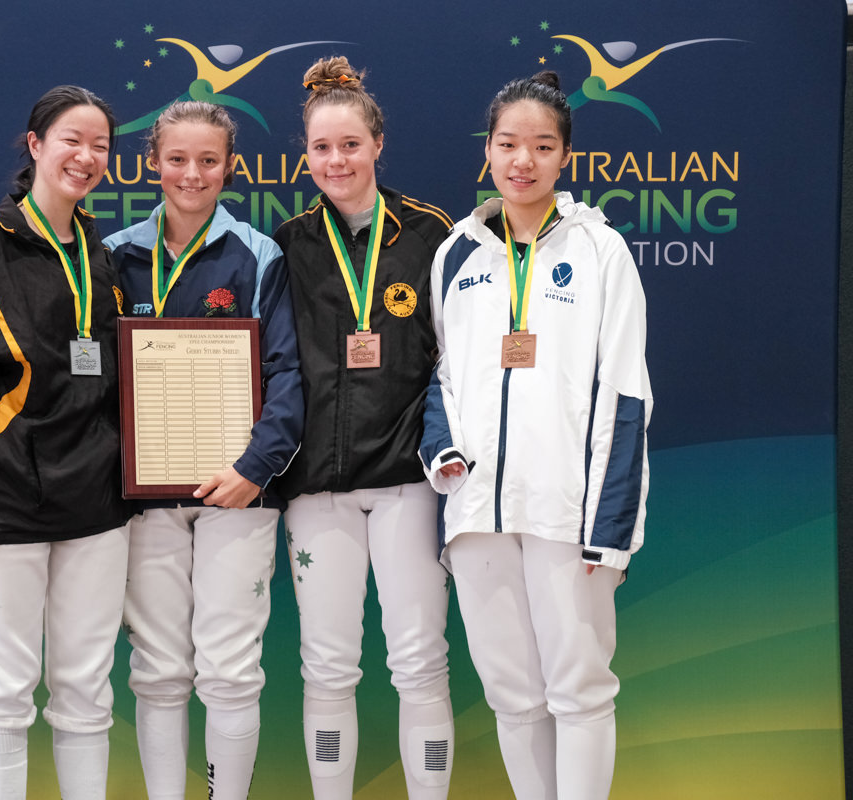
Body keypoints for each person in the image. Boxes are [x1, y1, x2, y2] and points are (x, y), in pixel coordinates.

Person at [420, 71, 652, 800]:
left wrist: (608, 528)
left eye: (542, 146)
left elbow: (626, 393)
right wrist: (443, 455)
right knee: (512, 695)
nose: (523, 160)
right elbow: (440, 376)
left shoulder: (599, 250)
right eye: (509, 144)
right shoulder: (456, 253)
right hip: (478, 510)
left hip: (566, 514)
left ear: (565, 157)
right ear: (487, 150)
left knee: (580, 690)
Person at [0, 85, 133, 800]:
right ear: (36, 145)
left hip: (98, 510)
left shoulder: (103, 254)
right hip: (5, 504)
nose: (87, 156)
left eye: (100, 145)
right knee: (6, 690)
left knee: (86, 690)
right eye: (72, 139)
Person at [103, 100, 303, 800]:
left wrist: (254, 469)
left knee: (230, 669)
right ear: (152, 162)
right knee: (157, 669)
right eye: (178, 159)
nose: (193, 174)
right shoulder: (113, 256)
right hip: (144, 497)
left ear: (230, 166)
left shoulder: (259, 254)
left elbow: (287, 373)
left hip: (238, 493)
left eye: (209, 160)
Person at [272, 56, 455, 800]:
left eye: (350, 144)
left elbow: (455, 359)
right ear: (305, 155)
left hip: (409, 482)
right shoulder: (286, 244)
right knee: (327, 664)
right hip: (316, 488)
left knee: (419, 660)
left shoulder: (431, 233)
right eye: (321, 148)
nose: (336, 160)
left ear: (378, 143)